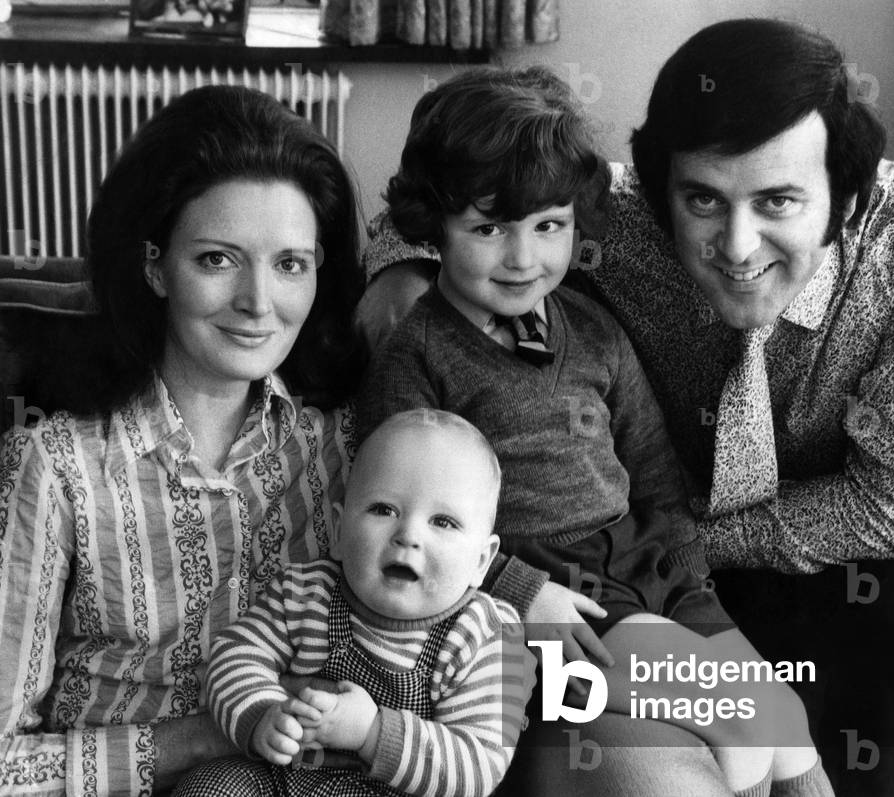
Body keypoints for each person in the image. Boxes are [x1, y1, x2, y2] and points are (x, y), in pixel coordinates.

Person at [357, 19, 894, 797]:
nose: (736, 245)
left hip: (803, 523)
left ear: (845, 196)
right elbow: (458, 200)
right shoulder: (594, 232)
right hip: (555, 575)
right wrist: (399, 268)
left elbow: (891, 503)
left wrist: (681, 556)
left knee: (805, 710)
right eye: (703, 199)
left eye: (778, 200)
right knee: (748, 728)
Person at [359, 65, 834, 797]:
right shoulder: (417, 355)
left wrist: (692, 588)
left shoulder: (592, 327)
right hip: (545, 588)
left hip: (648, 570)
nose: (524, 258)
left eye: (549, 225)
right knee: (752, 724)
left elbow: (650, 468)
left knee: (783, 724)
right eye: (489, 228)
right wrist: (519, 591)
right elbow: (398, 520)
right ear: (433, 223)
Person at [0, 85, 364, 795]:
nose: (260, 302)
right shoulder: (55, 463)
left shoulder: (344, 439)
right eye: (218, 260)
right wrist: (200, 734)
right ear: (153, 265)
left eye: (291, 264)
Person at [173, 409, 529, 797]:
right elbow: (234, 654)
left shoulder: (489, 635)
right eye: (383, 510)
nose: (408, 534)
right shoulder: (306, 591)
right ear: (340, 531)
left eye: (443, 522)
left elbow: (480, 766)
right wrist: (262, 715)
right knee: (209, 786)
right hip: (281, 777)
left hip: (394, 790)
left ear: (481, 560)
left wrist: (373, 732)